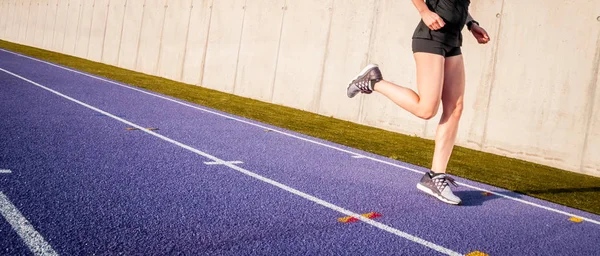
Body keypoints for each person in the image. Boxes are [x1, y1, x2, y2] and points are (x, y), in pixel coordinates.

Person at [346, 0, 490, 205]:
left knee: (455, 108)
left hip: (453, 41)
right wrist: (423, 11)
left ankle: (435, 177)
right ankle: (372, 82)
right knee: (426, 109)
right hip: (430, 38)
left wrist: (471, 24)